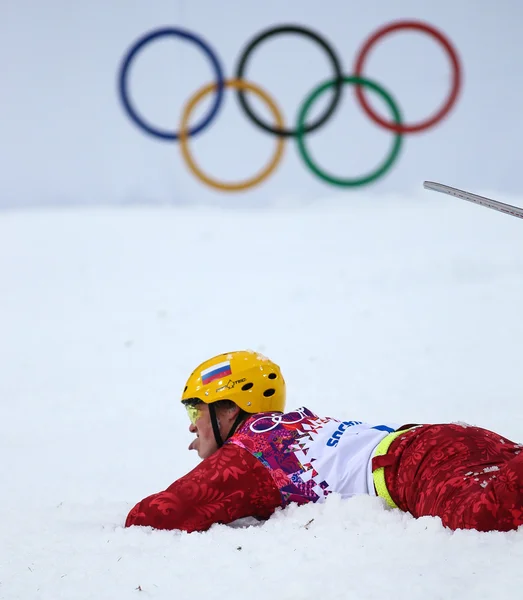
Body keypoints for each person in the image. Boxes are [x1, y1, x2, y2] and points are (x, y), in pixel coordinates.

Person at [125, 350, 523, 534]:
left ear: (230, 409)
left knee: (487, 519)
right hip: (446, 442)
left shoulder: (250, 453)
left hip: (418, 468)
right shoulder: (287, 426)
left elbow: (157, 516)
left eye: (196, 410)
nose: (192, 426)